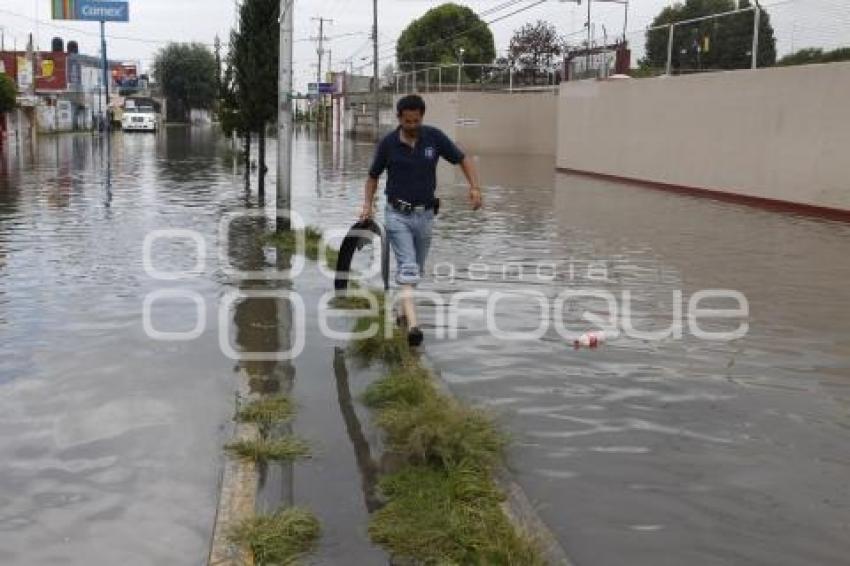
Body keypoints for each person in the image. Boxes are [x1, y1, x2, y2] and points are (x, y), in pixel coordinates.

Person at [359, 94, 483, 346]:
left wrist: (474, 188)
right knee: (408, 266)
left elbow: (462, 159)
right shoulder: (388, 144)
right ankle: (414, 327)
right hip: (397, 215)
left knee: (417, 267)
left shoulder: (434, 138)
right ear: (399, 118)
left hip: (425, 215)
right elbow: (373, 176)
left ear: (422, 117)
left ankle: (402, 313)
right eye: (408, 121)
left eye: (416, 121)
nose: (413, 126)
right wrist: (367, 205)